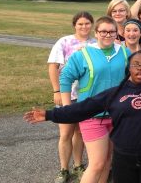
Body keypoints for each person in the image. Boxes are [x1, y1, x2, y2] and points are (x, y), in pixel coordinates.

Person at [24, 24, 141, 183]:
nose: (140, 69)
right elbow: (82, 109)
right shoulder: (115, 93)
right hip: (123, 160)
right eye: (135, 64)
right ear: (128, 68)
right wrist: (49, 115)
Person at [59, 16, 130, 183]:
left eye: (111, 31)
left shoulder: (125, 52)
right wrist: (68, 108)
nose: (107, 34)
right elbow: (65, 78)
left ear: (116, 33)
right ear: (96, 33)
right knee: (96, 163)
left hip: (117, 115)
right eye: (103, 31)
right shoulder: (83, 53)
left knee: (106, 161)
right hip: (92, 115)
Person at [47, 11, 95, 183]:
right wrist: (56, 91)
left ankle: (78, 165)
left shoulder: (95, 43)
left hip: (86, 95)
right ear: (74, 25)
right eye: (80, 24)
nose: (84, 27)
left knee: (81, 132)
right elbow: (53, 67)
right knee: (66, 132)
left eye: (87, 23)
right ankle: (63, 169)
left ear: (92, 25)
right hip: (68, 93)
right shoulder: (64, 42)